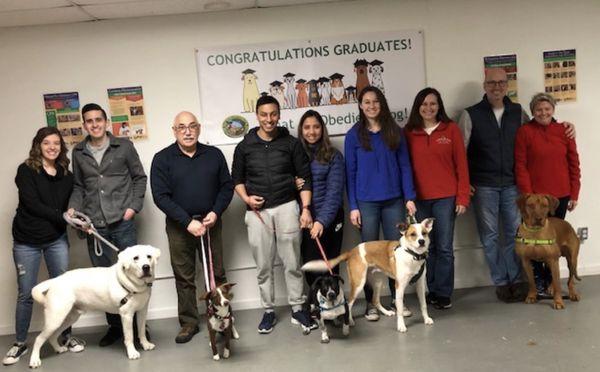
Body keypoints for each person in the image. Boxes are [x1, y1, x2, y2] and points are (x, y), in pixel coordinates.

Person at [458, 68, 575, 303]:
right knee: (490, 236)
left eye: (501, 82)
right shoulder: (470, 114)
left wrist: (564, 125)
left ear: (507, 85)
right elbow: (460, 152)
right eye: (492, 83)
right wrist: (465, 183)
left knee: (516, 235)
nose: (497, 87)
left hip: (513, 185)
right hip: (484, 185)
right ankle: (502, 282)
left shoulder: (517, 111)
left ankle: (519, 280)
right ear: (485, 85)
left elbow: (538, 127)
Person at [232, 95, 315, 334]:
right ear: (256, 116)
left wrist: (306, 209)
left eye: (273, 114)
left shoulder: (291, 143)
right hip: (258, 213)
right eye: (264, 114)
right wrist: (247, 198)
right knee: (263, 266)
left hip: (288, 206)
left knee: (292, 262)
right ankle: (268, 311)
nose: (269, 119)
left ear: (279, 115)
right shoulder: (245, 146)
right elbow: (236, 179)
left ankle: (298, 308)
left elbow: (305, 177)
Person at [67, 103, 147, 346]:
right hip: (95, 225)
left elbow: (139, 178)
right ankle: (115, 328)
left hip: (122, 221)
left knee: (133, 276)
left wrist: (132, 208)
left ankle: (138, 329)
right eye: (89, 121)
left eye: (98, 119)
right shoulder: (79, 151)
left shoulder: (123, 146)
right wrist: (73, 208)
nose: (94, 124)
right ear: (84, 125)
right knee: (106, 281)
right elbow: (79, 186)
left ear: (106, 122)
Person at [3, 127, 84, 366]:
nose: (52, 147)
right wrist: (64, 217)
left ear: (61, 147)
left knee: (64, 291)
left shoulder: (66, 175)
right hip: (26, 240)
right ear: (38, 145)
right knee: (26, 293)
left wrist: (76, 218)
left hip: (55, 239)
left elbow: (69, 205)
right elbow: (32, 204)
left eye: (56, 143)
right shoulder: (26, 170)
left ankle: (66, 337)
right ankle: (19, 343)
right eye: (47, 143)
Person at [151, 111, 233, 343]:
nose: (187, 131)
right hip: (179, 227)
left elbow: (226, 187)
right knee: (184, 276)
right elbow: (160, 196)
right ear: (174, 130)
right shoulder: (162, 158)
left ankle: (223, 317)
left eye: (192, 126)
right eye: (181, 127)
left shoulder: (214, 155)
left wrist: (215, 213)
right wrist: (187, 222)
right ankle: (189, 323)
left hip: (211, 224)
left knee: (216, 273)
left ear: (198, 128)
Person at [344, 86, 417, 321]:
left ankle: (398, 302)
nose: (371, 106)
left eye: (375, 101)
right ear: (360, 106)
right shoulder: (353, 135)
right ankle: (371, 305)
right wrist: (353, 205)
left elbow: (405, 166)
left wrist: (409, 197)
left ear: (382, 104)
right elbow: (350, 173)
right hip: (366, 203)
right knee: (368, 256)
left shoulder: (394, 131)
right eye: (366, 102)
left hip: (394, 200)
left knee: (396, 254)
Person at [404, 88, 470, 310]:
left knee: (443, 247)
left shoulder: (450, 130)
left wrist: (462, 198)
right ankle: (429, 289)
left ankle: (443, 293)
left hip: (446, 198)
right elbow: (405, 168)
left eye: (433, 104)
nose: (428, 108)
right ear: (417, 107)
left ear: (439, 106)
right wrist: (408, 197)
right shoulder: (409, 132)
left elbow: (462, 165)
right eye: (424, 104)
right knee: (424, 248)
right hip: (419, 200)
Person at [514, 93, 581, 294]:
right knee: (534, 242)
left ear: (553, 110)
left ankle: (553, 283)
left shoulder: (564, 131)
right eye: (538, 109)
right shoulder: (524, 132)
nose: (543, 112)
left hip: (559, 196)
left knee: (553, 243)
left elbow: (574, 164)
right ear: (533, 112)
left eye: (547, 109)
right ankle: (540, 283)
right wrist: (528, 196)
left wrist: (574, 193)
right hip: (534, 200)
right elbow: (520, 165)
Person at [295, 110, 345, 287]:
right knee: (311, 263)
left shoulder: (334, 155)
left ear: (322, 129)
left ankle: (335, 306)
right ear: (301, 130)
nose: (312, 131)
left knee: (329, 264)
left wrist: (321, 222)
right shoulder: (296, 156)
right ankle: (316, 306)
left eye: (316, 127)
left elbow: (334, 193)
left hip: (330, 218)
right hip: (306, 218)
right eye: (307, 127)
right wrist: (292, 183)